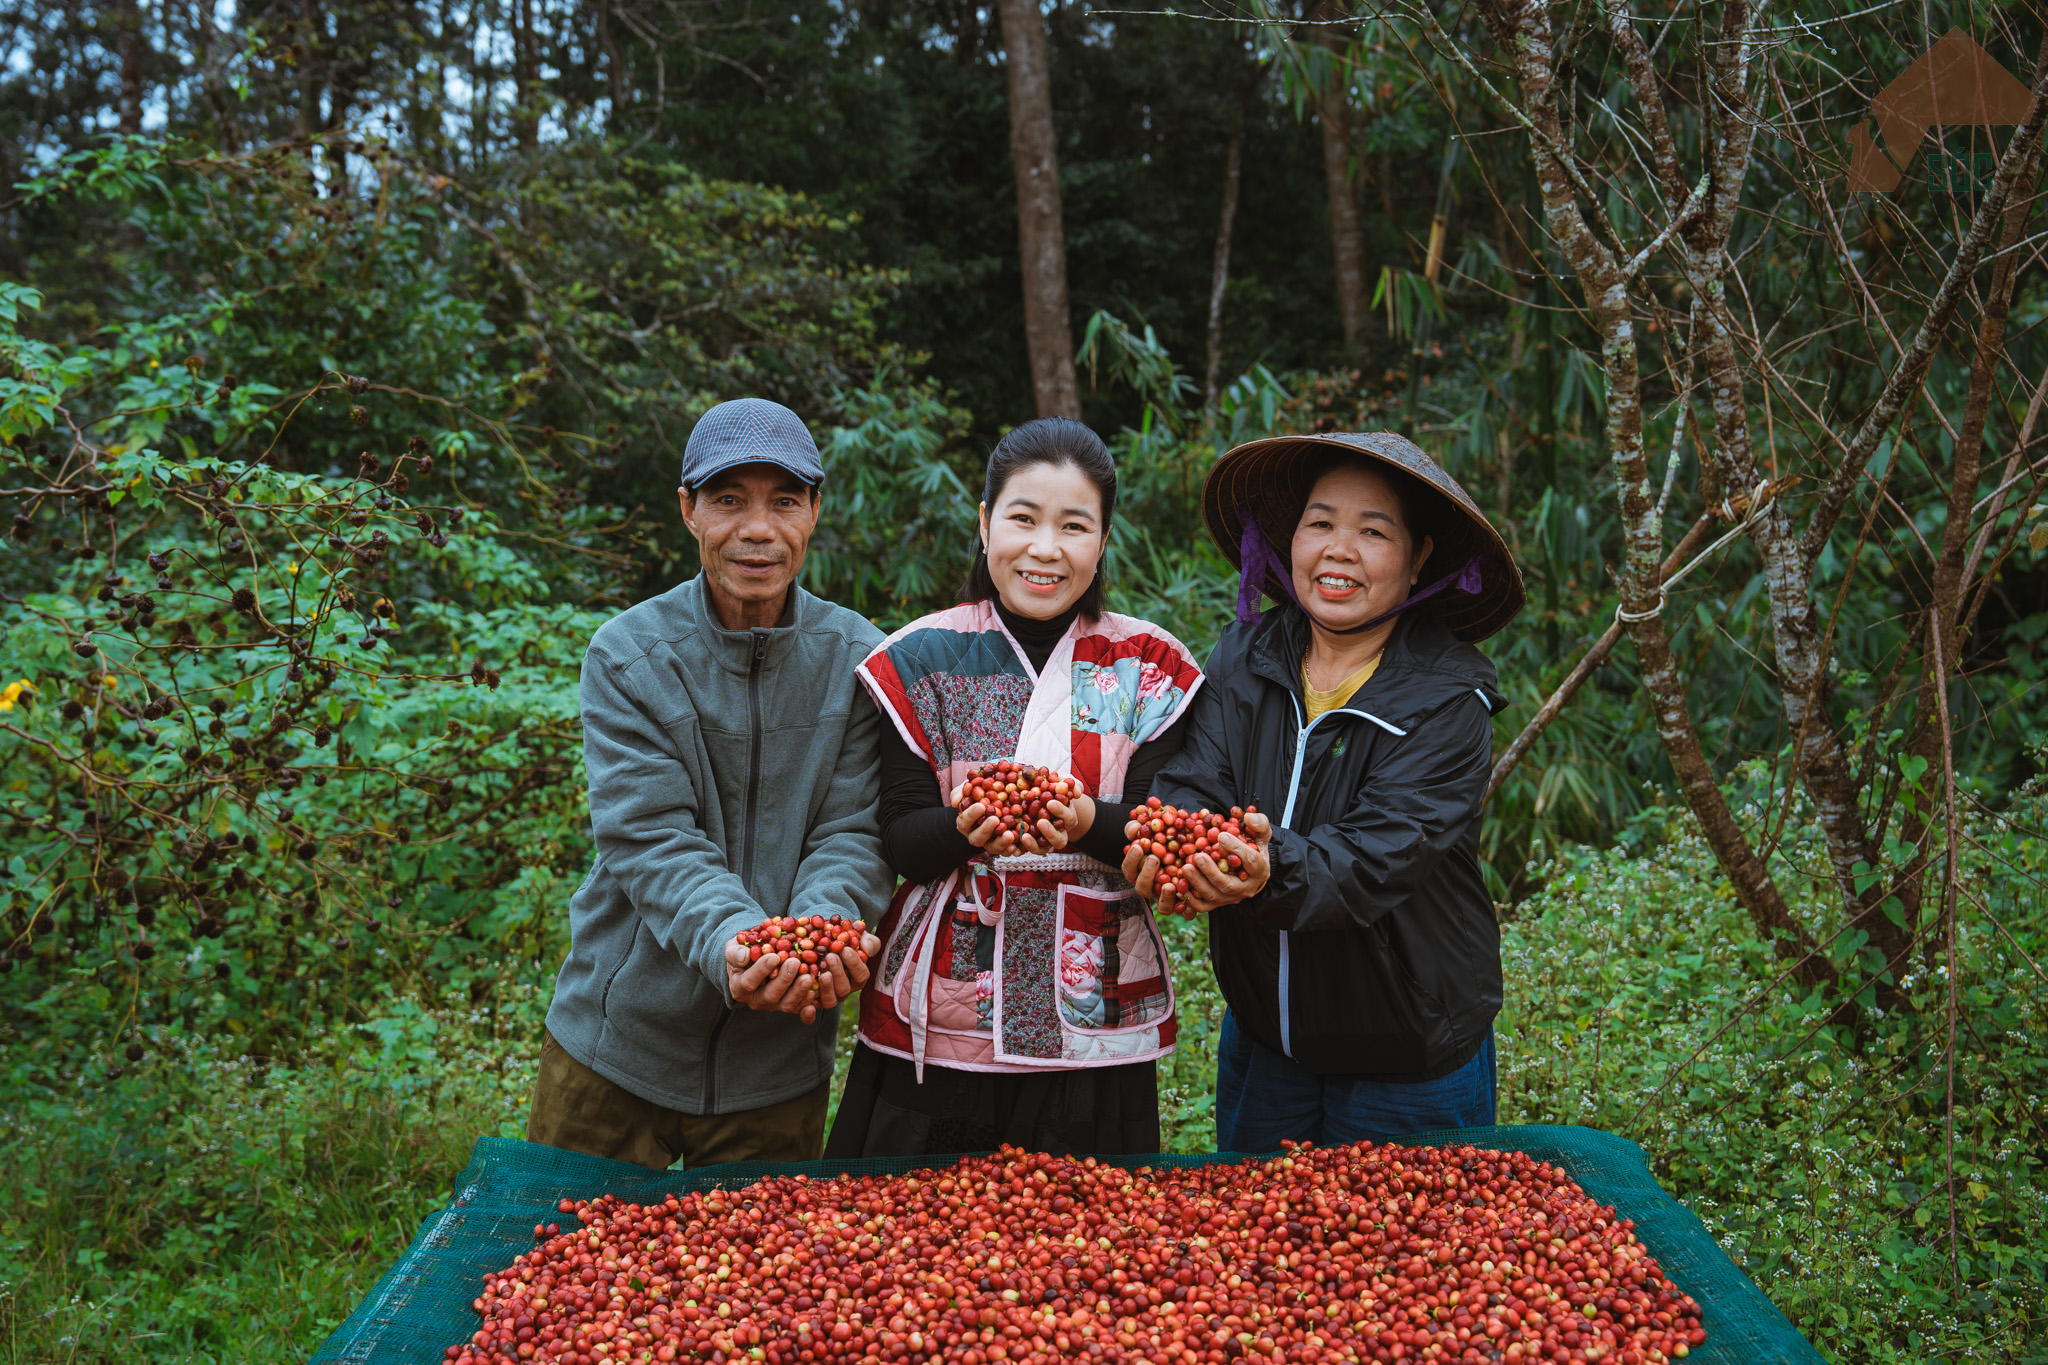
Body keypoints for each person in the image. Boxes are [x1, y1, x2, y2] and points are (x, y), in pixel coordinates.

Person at [1129, 430, 1526, 1151]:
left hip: (1406, 1057)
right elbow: (1193, 780)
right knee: (1260, 1255)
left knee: (1401, 1259)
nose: (1338, 549)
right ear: (1292, 539)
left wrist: (1261, 866)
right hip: (1266, 1041)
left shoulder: (1447, 698)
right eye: (1321, 523)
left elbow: (1375, 858)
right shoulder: (1245, 655)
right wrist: (1177, 844)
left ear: (1419, 559)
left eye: (1373, 531)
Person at [824, 418, 1208, 1158]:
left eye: (1074, 526)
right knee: (906, 1244)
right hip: (947, 1002)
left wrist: (1083, 817)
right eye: (1023, 518)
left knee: (1083, 1246)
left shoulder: (1150, 666)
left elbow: (1162, 828)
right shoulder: (918, 657)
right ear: (984, 523)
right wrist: (969, 825)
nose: (1045, 548)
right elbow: (902, 835)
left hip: (1092, 991)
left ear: (1102, 541)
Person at [527, 397, 890, 1170]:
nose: (758, 529)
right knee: (562, 1270)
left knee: (761, 1286)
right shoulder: (628, 656)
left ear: (814, 512)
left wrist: (816, 940)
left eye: (783, 501)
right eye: (729, 500)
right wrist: (734, 941)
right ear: (689, 511)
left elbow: (853, 831)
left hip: (777, 1067)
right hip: (618, 1046)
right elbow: (651, 836)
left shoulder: (862, 661)